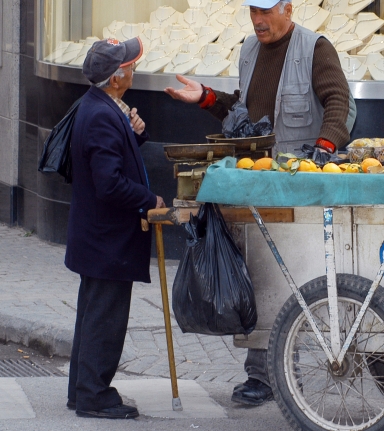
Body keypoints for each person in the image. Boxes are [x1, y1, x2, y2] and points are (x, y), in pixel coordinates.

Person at [165, 0, 355, 407]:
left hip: (298, 184)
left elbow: (340, 102)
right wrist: (206, 98)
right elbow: (243, 115)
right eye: (253, 10)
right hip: (257, 182)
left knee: (292, 276)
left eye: (266, 11)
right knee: (262, 275)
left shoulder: (315, 48)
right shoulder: (249, 50)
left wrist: (323, 149)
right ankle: (264, 375)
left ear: (288, 8)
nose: (258, 20)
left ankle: (284, 372)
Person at [65, 37, 166, 419]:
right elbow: (109, 183)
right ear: (116, 78)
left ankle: (83, 389)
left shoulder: (101, 107)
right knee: (105, 318)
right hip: (106, 239)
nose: (134, 68)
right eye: (129, 65)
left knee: (93, 314)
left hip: (96, 237)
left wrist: (134, 133)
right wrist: (148, 199)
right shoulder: (103, 115)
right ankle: (94, 395)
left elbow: (109, 160)